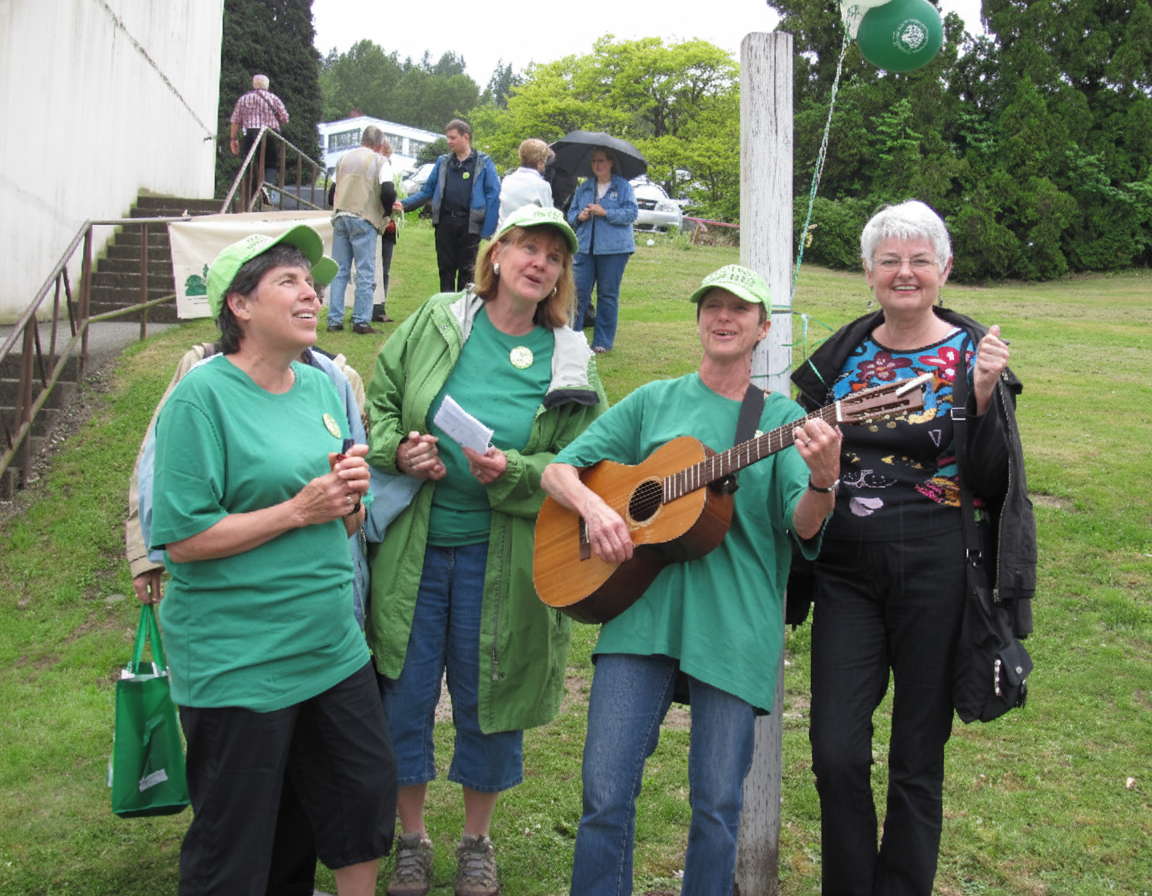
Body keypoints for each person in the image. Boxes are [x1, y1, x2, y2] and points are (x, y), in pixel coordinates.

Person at [540, 264, 842, 896]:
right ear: (700, 318)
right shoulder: (655, 400)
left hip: (734, 625)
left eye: (740, 309)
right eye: (712, 306)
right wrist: (598, 510)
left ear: (762, 328)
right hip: (639, 615)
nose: (724, 317)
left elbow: (804, 526)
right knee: (603, 794)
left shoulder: (780, 417)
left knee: (715, 805)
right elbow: (560, 472)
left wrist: (823, 480)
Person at [790, 200, 1036, 896]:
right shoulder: (838, 357)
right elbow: (797, 451)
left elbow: (994, 484)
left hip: (938, 567)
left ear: (944, 269)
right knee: (836, 752)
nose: (905, 273)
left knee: (916, 757)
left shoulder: (973, 355)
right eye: (890, 260)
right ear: (868, 272)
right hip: (845, 569)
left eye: (920, 260)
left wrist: (983, 396)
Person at [364, 205, 607, 896]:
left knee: (491, 696)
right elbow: (380, 402)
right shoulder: (439, 320)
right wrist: (400, 451)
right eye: (527, 248)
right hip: (414, 550)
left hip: (505, 559)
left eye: (554, 256)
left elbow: (591, 459)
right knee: (404, 695)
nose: (540, 263)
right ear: (496, 256)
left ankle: (477, 841)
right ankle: (411, 839)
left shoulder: (570, 355)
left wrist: (521, 473)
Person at [149, 225, 397, 896]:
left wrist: (348, 498)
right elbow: (180, 539)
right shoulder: (200, 398)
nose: (311, 293)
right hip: (240, 659)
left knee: (363, 794)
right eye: (288, 281)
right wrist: (297, 510)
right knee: (238, 841)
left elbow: (343, 518)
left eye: (313, 283)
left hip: (329, 647)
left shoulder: (323, 389)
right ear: (239, 304)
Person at [397, 119, 501, 293]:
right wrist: (404, 204)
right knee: (446, 270)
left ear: (465, 137)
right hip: (445, 224)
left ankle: (461, 314)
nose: (448, 141)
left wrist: (488, 232)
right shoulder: (443, 162)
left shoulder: (483, 162)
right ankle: (444, 312)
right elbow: (427, 190)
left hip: (470, 226)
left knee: (467, 274)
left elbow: (494, 196)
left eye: (453, 138)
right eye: (448, 138)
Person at [567, 147, 638, 354]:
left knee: (607, 295)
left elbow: (632, 213)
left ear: (610, 163)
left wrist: (605, 212)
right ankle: (573, 337)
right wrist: (579, 217)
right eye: (594, 162)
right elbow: (571, 214)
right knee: (578, 292)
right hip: (585, 248)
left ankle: (602, 342)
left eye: (601, 161)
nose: (597, 165)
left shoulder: (623, 186)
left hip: (614, 249)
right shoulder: (584, 188)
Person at [328, 125, 393, 335]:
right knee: (365, 271)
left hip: (340, 216)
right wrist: (386, 212)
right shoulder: (380, 161)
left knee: (339, 270)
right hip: (364, 217)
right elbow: (388, 190)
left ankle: (334, 320)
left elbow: (331, 192)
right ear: (380, 144)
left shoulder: (343, 159)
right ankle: (361, 321)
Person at [228, 74, 289, 175]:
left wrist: (233, 139)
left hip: (250, 133)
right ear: (267, 86)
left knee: (248, 162)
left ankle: (249, 188)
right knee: (270, 163)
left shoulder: (243, 99)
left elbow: (235, 121)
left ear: (254, 85)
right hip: (269, 134)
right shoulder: (274, 98)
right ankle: (267, 188)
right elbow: (285, 118)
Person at [497, 138, 553, 225]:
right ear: (540, 163)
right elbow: (549, 216)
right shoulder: (542, 185)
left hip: (505, 231)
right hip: (528, 234)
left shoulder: (507, 180)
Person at [376, 141, 399, 324]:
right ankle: (376, 309)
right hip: (379, 223)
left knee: (381, 268)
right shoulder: (381, 167)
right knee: (378, 269)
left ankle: (377, 308)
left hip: (382, 226)